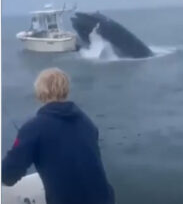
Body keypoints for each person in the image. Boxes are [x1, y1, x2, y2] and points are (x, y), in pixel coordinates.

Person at [2, 68, 115, 204]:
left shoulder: (33, 128)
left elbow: (8, 175)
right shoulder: (85, 121)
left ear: (39, 92)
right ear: (66, 89)